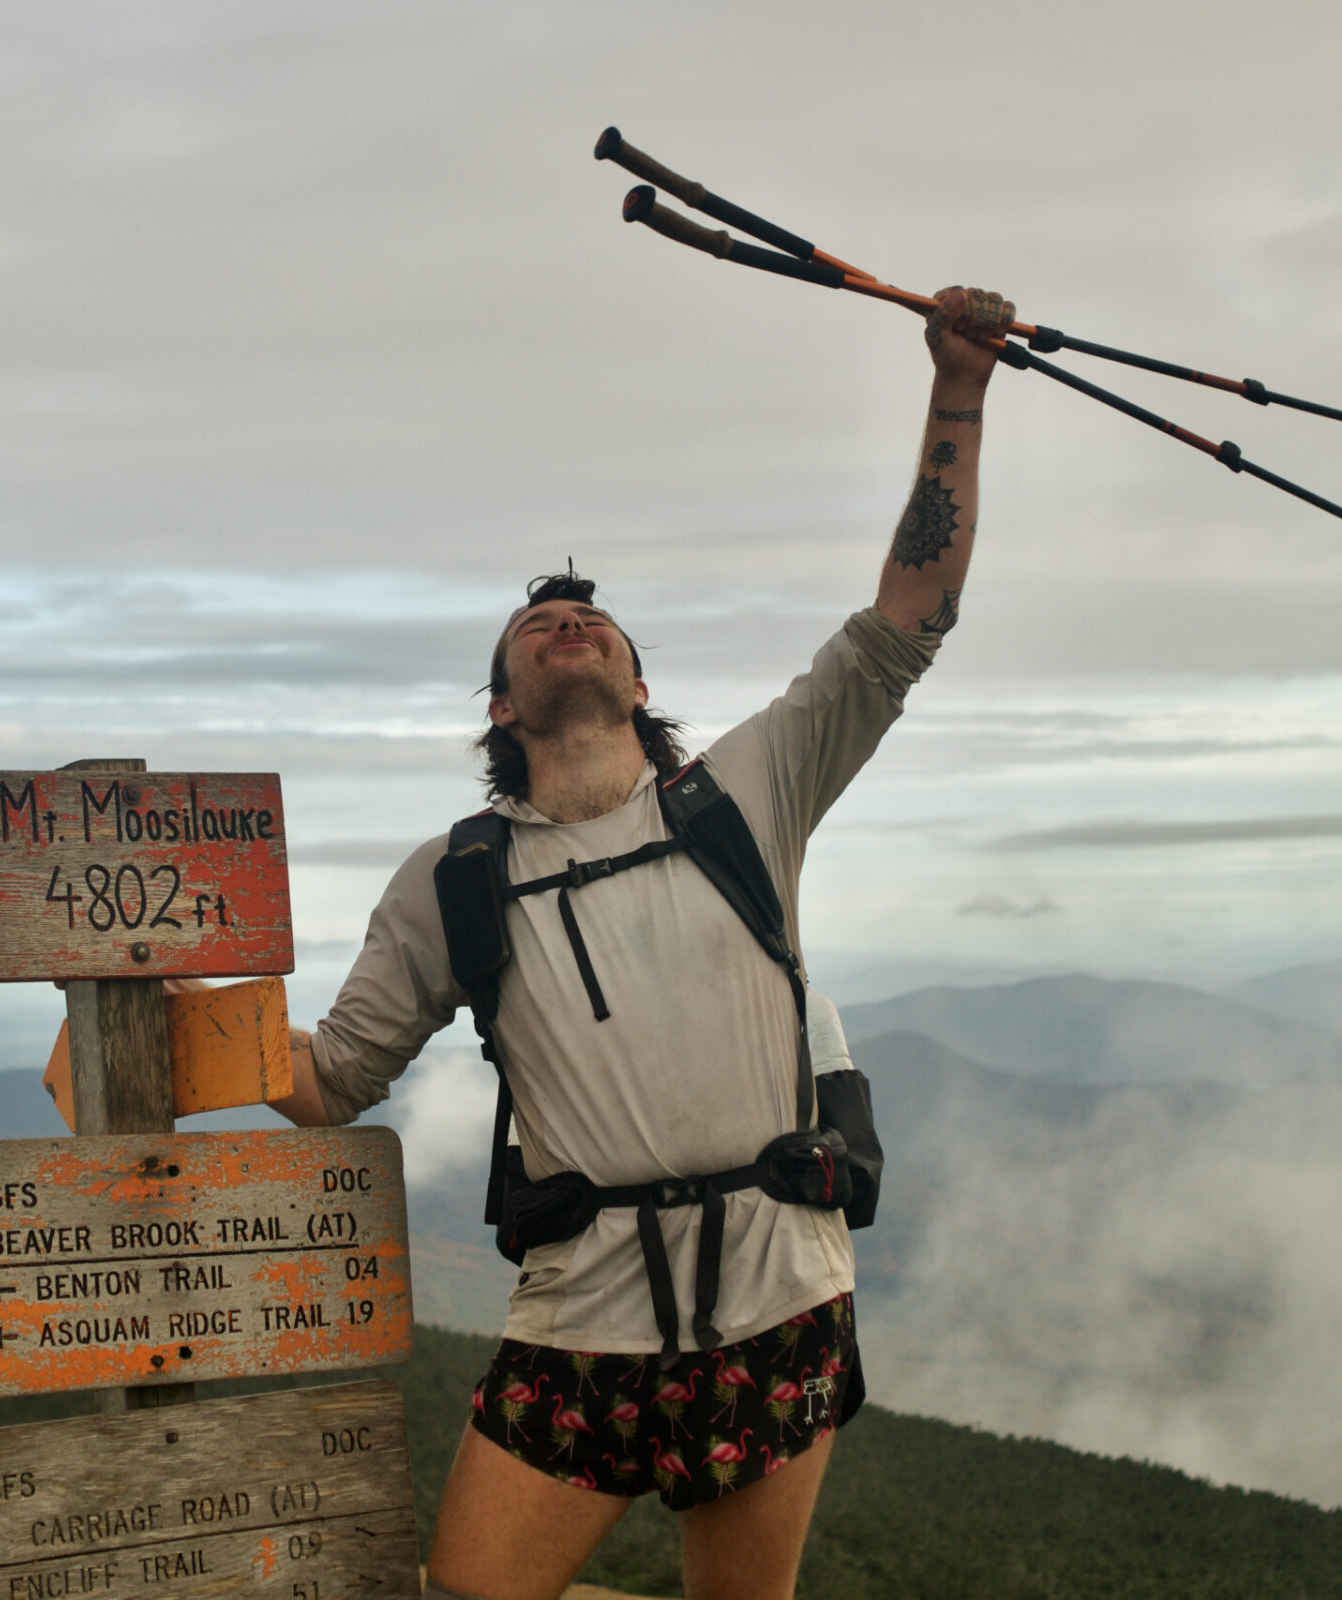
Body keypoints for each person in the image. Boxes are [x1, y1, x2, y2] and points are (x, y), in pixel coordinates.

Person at [266, 286, 1014, 1600]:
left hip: (777, 1295)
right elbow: (329, 1082)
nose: (570, 623)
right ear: (505, 703)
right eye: (535, 629)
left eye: (595, 621)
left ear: (640, 683)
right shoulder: (452, 879)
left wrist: (959, 391)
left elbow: (909, 616)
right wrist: (149, 1011)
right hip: (583, 1327)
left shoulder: (752, 789)